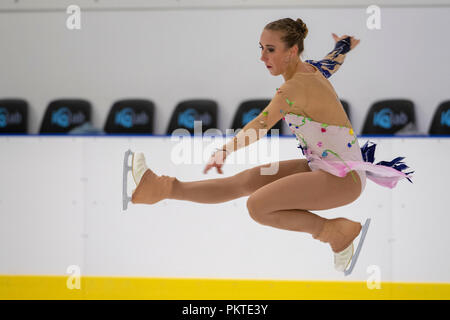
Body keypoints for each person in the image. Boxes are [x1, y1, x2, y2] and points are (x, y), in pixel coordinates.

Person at [129, 18, 414, 273]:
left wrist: (225, 150)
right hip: (324, 167)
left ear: (292, 51)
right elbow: (332, 61)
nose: (262, 56)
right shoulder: (311, 70)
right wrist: (343, 45)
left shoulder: (293, 89)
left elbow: (260, 125)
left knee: (258, 206)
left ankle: (333, 232)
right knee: (244, 182)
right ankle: (161, 188)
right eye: (261, 48)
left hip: (342, 178)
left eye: (270, 49)